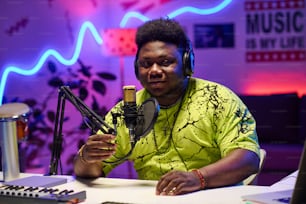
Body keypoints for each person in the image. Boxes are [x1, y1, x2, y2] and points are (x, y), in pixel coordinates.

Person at [73, 18, 260, 196]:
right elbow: (90, 171)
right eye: (146, 64)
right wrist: (86, 158)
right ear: (137, 69)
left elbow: (248, 159)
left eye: (165, 62)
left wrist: (198, 178)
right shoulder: (126, 111)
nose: (154, 71)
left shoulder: (218, 99)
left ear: (187, 63)